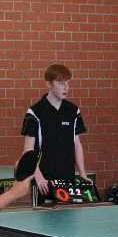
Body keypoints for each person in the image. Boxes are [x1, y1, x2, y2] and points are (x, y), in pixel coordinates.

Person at [21, 63, 89, 199]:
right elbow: (28, 150)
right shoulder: (35, 112)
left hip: (68, 178)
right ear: (49, 84)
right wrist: (38, 176)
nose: (66, 88)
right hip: (44, 181)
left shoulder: (73, 111)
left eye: (68, 83)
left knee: (69, 212)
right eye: (61, 83)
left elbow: (77, 145)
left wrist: (83, 175)